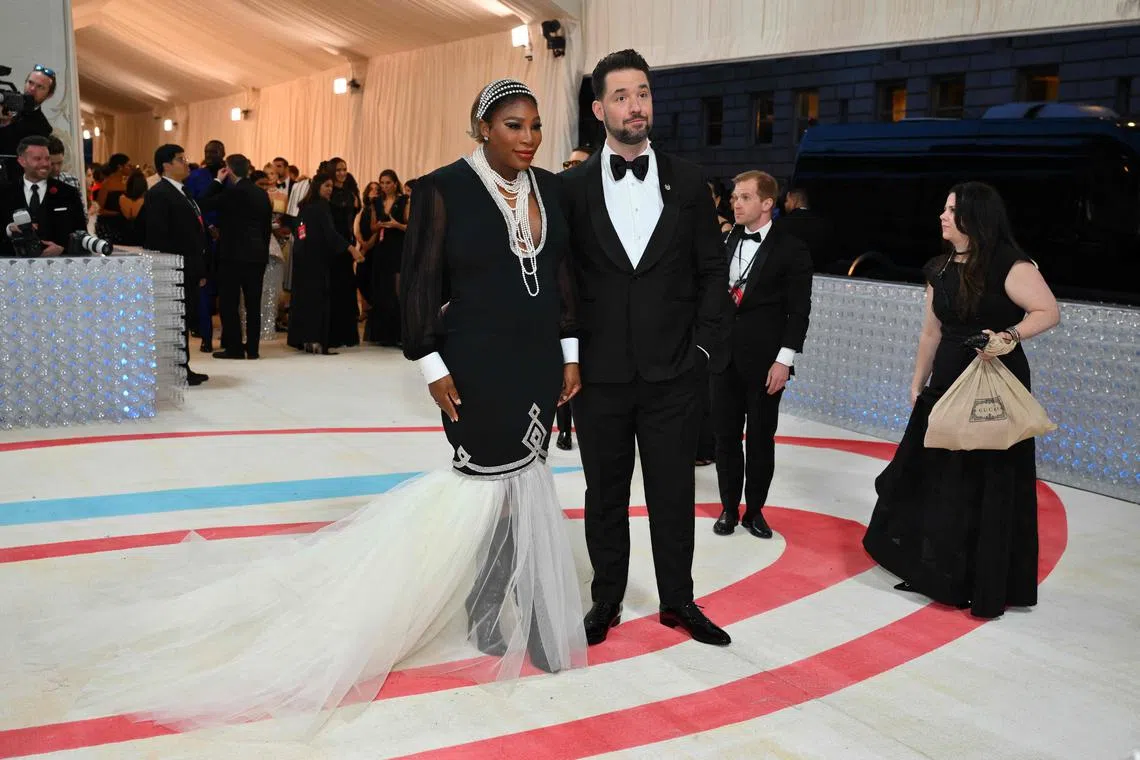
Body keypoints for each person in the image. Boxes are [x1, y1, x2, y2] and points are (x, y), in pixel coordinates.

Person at [11, 80, 586, 742]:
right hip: (474, 364)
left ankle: (498, 608)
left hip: (537, 362)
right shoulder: (444, 189)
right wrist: (429, 364)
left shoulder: (548, 190)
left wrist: (569, 353)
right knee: (488, 479)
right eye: (514, 124)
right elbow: (422, 281)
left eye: (536, 125)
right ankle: (498, 606)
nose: (528, 136)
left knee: (523, 478)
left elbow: (563, 278)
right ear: (482, 126)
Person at [561, 50, 732, 647]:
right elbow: (563, 281)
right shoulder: (571, 188)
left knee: (672, 493)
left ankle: (678, 600)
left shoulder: (688, 180)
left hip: (674, 375)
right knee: (603, 495)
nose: (636, 106)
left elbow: (714, 271)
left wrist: (704, 350)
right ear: (599, 108)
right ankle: (605, 598)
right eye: (622, 96)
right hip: (599, 377)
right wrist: (567, 355)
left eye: (644, 94)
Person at [862, 181, 1060, 619]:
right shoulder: (940, 266)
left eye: (951, 210)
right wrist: (918, 382)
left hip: (993, 381)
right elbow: (931, 331)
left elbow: (1048, 312)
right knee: (930, 476)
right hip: (946, 379)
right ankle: (932, 570)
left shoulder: (1012, 264)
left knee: (983, 481)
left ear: (974, 217)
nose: (942, 216)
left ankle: (979, 580)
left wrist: (1008, 336)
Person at [711, 171, 813, 540]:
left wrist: (784, 360)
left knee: (759, 439)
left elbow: (799, 310)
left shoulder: (792, 248)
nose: (735, 203)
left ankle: (754, 511)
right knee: (724, 438)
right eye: (734, 197)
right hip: (722, 359)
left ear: (767, 203)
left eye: (744, 197)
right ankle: (727, 507)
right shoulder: (724, 242)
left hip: (767, 362)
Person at [144, 144, 208, 386]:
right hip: (174, 267)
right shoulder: (160, 193)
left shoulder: (183, 192)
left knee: (184, 318)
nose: (187, 163)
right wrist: (165, 268)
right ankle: (177, 368)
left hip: (189, 265)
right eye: (181, 159)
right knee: (176, 320)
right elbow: (158, 236)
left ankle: (183, 365)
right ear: (166, 166)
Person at [200, 154, 273, 360]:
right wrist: (263, 252)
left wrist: (216, 181)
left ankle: (234, 348)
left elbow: (202, 203)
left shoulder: (232, 193)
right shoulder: (261, 194)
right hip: (257, 255)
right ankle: (253, 349)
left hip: (232, 255)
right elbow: (266, 228)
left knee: (229, 304)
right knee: (253, 303)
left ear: (228, 170)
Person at [286, 172, 363, 354]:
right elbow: (330, 234)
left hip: (303, 259)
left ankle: (306, 339)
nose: (330, 190)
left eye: (331, 186)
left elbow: (300, 231)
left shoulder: (305, 206)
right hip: (316, 260)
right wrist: (351, 249)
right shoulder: (321, 207)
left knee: (304, 299)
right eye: (326, 186)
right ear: (318, 187)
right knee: (318, 300)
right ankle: (317, 341)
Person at [0, 135, 86, 257]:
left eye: (47, 158)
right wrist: (9, 229)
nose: (45, 164)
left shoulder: (68, 193)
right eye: (38, 159)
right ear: (22, 161)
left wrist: (62, 248)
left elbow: (82, 234)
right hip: (12, 269)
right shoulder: (4, 193)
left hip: (59, 269)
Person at [365, 169, 408, 346]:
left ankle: (400, 335)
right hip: (382, 248)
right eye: (382, 183)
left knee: (398, 290)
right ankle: (382, 334)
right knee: (382, 289)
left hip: (397, 247)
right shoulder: (377, 202)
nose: (384, 186)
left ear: (395, 183)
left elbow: (409, 226)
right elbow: (373, 227)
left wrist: (395, 224)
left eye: (388, 183)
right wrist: (381, 225)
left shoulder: (404, 200)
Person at [0, 65, 55, 184]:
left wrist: (5, 125)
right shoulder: (5, 104)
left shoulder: (42, 127)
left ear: (49, 95)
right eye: (30, 83)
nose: (32, 89)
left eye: (40, 87)